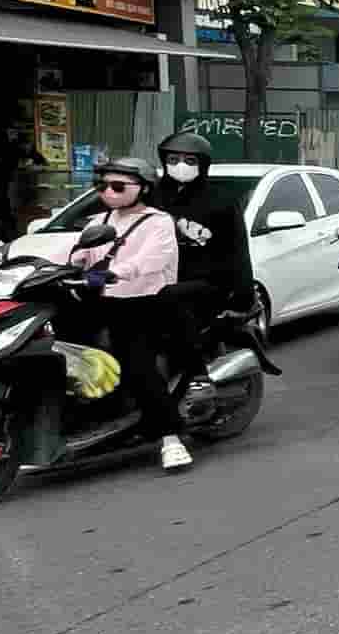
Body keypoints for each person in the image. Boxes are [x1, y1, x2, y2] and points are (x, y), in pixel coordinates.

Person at [66, 155, 191, 471]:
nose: (108, 192)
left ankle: (170, 437)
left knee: (137, 364)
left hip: (145, 303)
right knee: (70, 351)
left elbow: (154, 259)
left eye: (118, 186)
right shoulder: (100, 222)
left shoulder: (159, 222)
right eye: (102, 185)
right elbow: (77, 253)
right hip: (103, 301)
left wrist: (116, 273)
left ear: (143, 188)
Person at [150, 131, 254, 382]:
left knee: (169, 297)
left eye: (189, 160)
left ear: (203, 164)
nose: (180, 166)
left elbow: (237, 249)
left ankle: (198, 377)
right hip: (153, 276)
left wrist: (243, 295)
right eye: (173, 160)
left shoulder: (221, 199)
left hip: (207, 282)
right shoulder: (151, 197)